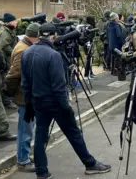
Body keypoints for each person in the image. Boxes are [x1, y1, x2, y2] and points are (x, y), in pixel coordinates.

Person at [21, 23, 111, 179]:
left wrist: (29, 104)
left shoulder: (26, 53)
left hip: (38, 102)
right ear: (54, 36)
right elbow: (59, 86)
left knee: (40, 136)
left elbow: (25, 83)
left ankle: (42, 172)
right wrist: (66, 106)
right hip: (55, 102)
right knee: (74, 133)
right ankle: (90, 164)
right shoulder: (53, 55)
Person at [5, 23, 40, 172]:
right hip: (23, 96)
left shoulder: (24, 46)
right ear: (35, 37)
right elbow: (13, 75)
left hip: (25, 95)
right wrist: (11, 93)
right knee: (25, 130)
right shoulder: (23, 50)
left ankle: (24, 155)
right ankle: (22, 160)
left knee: (27, 129)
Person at [0, 12, 18, 109]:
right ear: (9, 22)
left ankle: (9, 99)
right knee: (6, 80)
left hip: (9, 59)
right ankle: (6, 101)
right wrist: (15, 51)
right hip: (5, 60)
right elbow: (4, 46)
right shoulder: (4, 32)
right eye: (14, 21)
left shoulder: (9, 30)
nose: (16, 23)